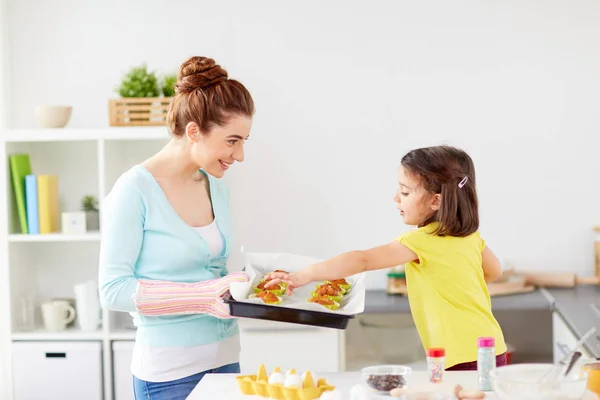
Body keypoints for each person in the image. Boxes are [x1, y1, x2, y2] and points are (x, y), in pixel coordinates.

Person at [266, 145, 507, 370]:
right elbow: (495, 271)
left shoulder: (420, 241)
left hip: (459, 355)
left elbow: (362, 260)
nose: (396, 197)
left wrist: (304, 275)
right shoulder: (470, 237)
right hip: (492, 346)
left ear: (436, 201)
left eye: (404, 191)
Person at [98, 56, 254, 400]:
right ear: (194, 130)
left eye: (244, 140)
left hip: (228, 363)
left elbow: (211, 272)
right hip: (168, 375)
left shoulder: (217, 187)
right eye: (232, 141)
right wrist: (203, 296)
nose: (240, 154)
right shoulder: (134, 190)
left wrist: (255, 282)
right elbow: (112, 290)